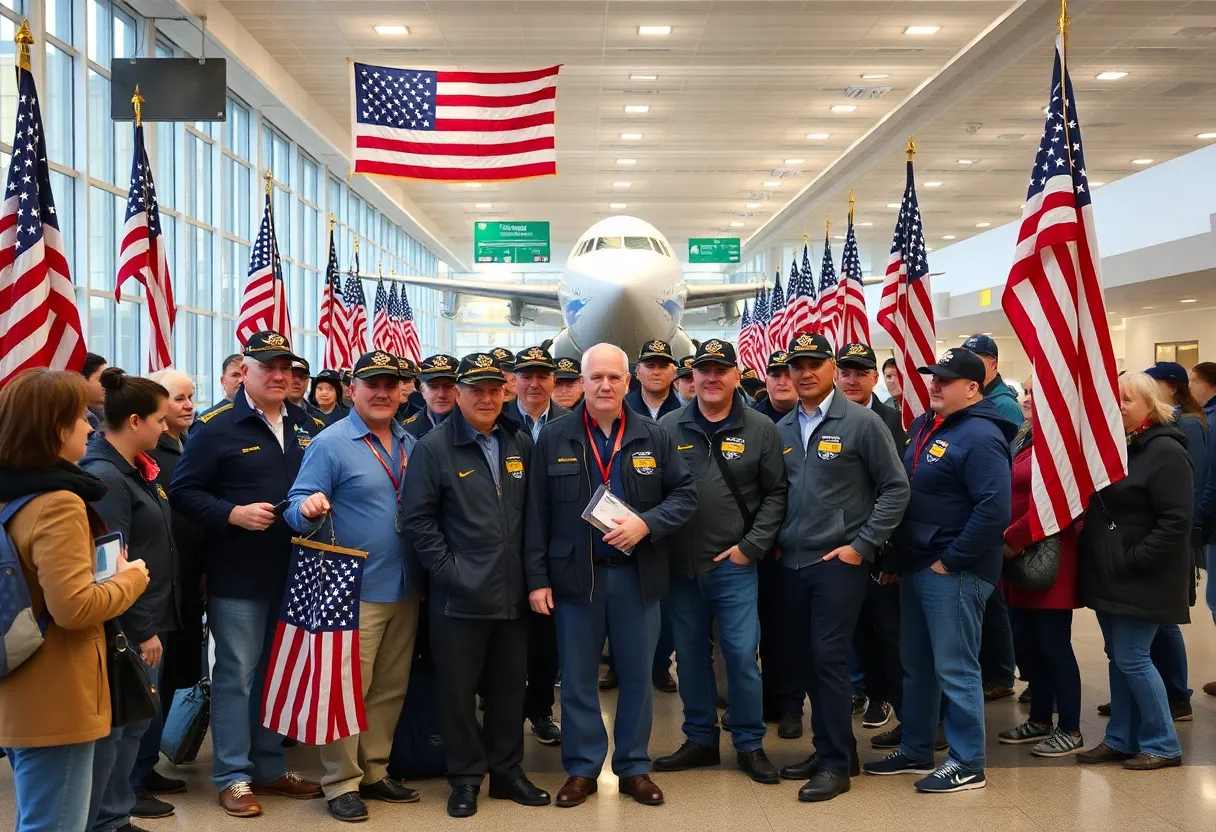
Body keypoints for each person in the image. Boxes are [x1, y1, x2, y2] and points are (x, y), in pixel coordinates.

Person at [525, 343, 696, 809]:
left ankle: (634, 767)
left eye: (614, 377)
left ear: (629, 381)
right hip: (575, 580)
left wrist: (648, 523)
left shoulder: (654, 436)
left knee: (639, 676)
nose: (604, 385)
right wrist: (537, 579)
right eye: (595, 377)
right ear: (582, 382)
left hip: (636, 577)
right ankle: (581, 769)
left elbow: (685, 495)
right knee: (578, 678)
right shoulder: (556, 438)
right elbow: (536, 515)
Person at [169, 332, 325, 817]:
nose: (279, 376)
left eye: (286, 368)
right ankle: (233, 775)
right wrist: (232, 513)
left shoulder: (306, 424)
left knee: (278, 676)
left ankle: (269, 765)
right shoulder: (215, 427)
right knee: (236, 676)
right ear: (245, 374)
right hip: (239, 574)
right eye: (267, 368)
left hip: (296, 573)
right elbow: (183, 492)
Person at [401, 353, 549, 819]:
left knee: (510, 688)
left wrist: (533, 577)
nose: (486, 399)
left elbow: (532, 517)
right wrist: (451, 573)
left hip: (513, 593)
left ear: (504, 392)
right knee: (458, 692)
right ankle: (465, 777)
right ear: (458, 394)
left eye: (493, 390)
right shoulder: (434, 447)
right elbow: (418, 520)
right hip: (459, 596)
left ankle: (506, 773)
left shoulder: (518, 441)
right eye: (475, 390)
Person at [0, 369, 149, 832]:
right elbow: (74, 608)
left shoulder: (15, 493)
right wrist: (131, 578)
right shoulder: (58, 502)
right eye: (80, 417)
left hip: (26, 686)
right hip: (58, 691)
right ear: (54, 429)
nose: (90, 426)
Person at [864, 347, 1014, 793]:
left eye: (945, 380)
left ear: (972, 388)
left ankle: (968, 762)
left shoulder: (981, 436)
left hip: (954, 569)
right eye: (934, 377)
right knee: (918, 665)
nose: (934, 384)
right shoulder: (928, 425)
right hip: (917, 563)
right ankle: (916, 747)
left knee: (956, 668)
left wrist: (952, 560)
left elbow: (994, 511)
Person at [286, 350, 423, 822]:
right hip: (352, 589)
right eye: (373, 384)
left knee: (389, 686)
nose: (383, 393)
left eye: (392, 384)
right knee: (346, 690)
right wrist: (304, 510)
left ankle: (374, 770)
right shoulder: (331, 443)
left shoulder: (411, 442)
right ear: (353, 390)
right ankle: (339, 782)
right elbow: (297, 499)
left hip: (406, 584)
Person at [772, 333, 910, 802]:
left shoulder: (862, 422)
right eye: (797, 365)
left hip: (838, 562)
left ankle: (835, 766)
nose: (805, 372)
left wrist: (863, 545)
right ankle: (835, 748)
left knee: (830, 659)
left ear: (832, 367)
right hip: (791, 562)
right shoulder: (784, 427)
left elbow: (896, 488)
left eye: (814, 363)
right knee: (808, 659)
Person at [654, 339, 786, 784]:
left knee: (741, 655)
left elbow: (775, 494)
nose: (711, 378)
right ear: (691, 377)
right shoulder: (668, 427)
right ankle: (700, 740)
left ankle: (749, 743)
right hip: (680, 567)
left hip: (734, 565)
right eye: (703, 370)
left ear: (735, 375)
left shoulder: (761, 428)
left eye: (720, 370)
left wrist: (752, 546)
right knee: (688, 655)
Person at [1074, 372, 1191, 770]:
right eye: (1114, 399)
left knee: (1133, 657)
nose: (1118, 406)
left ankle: (1162, 743)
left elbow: (1176, 522)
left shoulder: (1166, 451)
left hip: (1144, 576)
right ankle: (1121, 738)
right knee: (1118, 658)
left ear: (1150, 405)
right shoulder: (1120, 447)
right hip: (1111, 573)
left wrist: (1133, 559)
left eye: (1127, 399)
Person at [82, 370, 181, 832]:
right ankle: (107, 819)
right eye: (160, 420)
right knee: (120, 732)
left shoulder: (136, 469)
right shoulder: (106, 477)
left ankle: (115, 814)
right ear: (136, 420)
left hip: (150, 613)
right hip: (129, 625)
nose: (166, 429)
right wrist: (143, 631)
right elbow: (113, 566)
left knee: (133, 727)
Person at [997, 376, 1084, 757]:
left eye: (1037, 393)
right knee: (1029, 644)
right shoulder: (1027, 437)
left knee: (1054, 646)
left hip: (1045, 559)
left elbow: (1055, 507)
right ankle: (1040, 719)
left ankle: (1070, 728)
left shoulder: (1060, 446)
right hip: (1016, 559)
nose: (1028, 398)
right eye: (1028, 391)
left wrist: (1011, 540)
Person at [835, 342, 907, 732]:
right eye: (845, 372)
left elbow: (899, 491)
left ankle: (897, 707)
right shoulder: (828, 419)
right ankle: (867, 692)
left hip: (881, 551)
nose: (851, 380)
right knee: (855, 631)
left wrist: (892, 556)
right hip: (842, 549)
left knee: (889, 635)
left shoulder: (893, 422)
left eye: (861, 373)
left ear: (875, 379)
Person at [502, 346, 569, 746]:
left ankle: (541, 711)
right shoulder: (496, 418)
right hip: (506, 542)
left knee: (547, 639)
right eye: (525, 375)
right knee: (507, 638)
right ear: (513, 381)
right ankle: (504, 711)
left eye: (542, 375)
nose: (533, 383)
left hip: (552, 544)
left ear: (553, 382)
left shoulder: (570, 422)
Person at [143, 369, 202, 801]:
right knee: (150, 679)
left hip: (185, 580)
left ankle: (149, 763)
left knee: (174, 673)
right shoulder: (151, 458)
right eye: (178, 398)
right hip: (155, 586)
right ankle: (137, 774)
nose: (187, 405)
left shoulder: (189, 444)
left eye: (190, 397)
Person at [1140, 360, 1208, 718]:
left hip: (1175, 535)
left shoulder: (1187, 426)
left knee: (1165, 620)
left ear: (1170, 387)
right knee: (1154, 621)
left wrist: (1187, 531)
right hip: (1160, 530)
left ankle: (1177, 694)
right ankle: (1149, 689)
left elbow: (1191, 486)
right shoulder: (1172, 423)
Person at [959, 336, 1020, 703]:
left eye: (979, 359)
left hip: (992, 515)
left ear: (994, 364)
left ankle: (1000, 673)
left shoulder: (1002, 407)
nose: (974, 364)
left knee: (994, 601)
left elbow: (1003, 470)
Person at [1190, 361, 1216, 696]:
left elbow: (1210, 481)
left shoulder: (1209, 421)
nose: (1190, 385)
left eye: (1194, 380)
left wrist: (1196, 519)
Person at [402, 355, 459, 440]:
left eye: (448, 386)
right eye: (433, 387)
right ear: (422, 390)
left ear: (460, 389)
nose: (441, 395)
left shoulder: (474, 424)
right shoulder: (407, 431)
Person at [625, 339, 682, 420]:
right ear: (638, 372)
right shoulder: (622, 408)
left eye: (663, 366)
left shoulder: (685, 411)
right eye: (650, 366)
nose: (656, 372)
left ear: (674, 373)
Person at [197, 354, 244, 423]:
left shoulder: (261, 415)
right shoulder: (209, 422)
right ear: (223, 381)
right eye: (235, 375)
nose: (241, 380)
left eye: (245, 374)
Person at [754, 351, 796, 424]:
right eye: (775, 375)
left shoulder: (815, 415)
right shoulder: (750, 418)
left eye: (789, 375)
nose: (782, 382)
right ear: (766, 382)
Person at [82, 353, 108, 429]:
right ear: (81, 381)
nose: (108, 384)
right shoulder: (77, 420)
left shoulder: (102, 413)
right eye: (102, 379)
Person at [394, 357, 424, 421]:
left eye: (406, 381)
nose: (401, 387)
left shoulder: (425, 408)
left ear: (415, 383)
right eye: (394, 382)